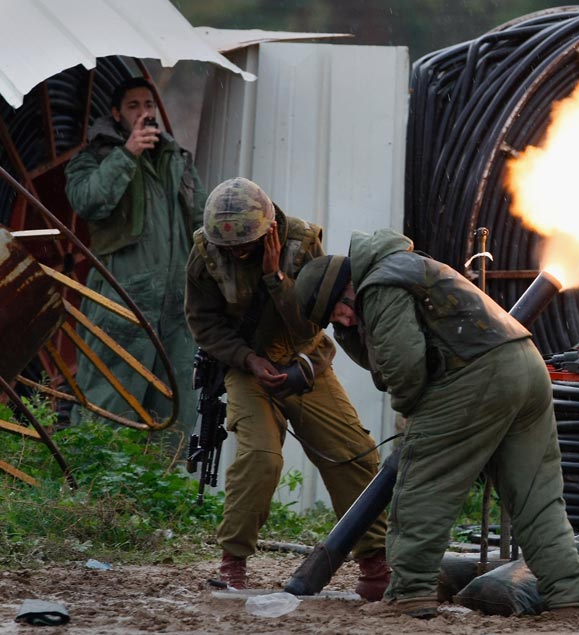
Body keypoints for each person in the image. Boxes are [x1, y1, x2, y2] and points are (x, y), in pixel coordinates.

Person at [292, 228, 579, 618]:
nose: (345, 318)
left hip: (475, 375)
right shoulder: (406, 266)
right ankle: (570, 596)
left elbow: (402, 364)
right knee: (535, 495)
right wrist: (353, 333)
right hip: (525, 364)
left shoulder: (379, 284)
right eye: (335, 320)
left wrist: (412, 416)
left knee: (422, 485)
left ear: (347, 286)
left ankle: (410, 592)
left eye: (339, 309)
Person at [183, 177, 389, 598]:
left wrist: (275, 277)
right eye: (231, 248)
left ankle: (375, 564)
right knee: (260, 458)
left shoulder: (300, 243)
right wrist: (246, 359)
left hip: (304, 358)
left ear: (268, 228)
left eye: (247, 244)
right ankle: (233, 563)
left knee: (351, 453)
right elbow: (203, 321)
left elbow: (311, 322)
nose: (238, 253)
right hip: (246, 365)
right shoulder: (206, 254)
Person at [65, 76, 205, 433]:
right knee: (109, 404)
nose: (144, 113)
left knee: (175, 413)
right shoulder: (91, 159)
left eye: (148, 105)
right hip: (121, 305)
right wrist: (127, 153)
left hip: (176, 311)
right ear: (116, 114)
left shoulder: (176, 160)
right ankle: (100, 488)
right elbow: (88, 201)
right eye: (133, 106)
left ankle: (161, 486)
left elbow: (204, 222)